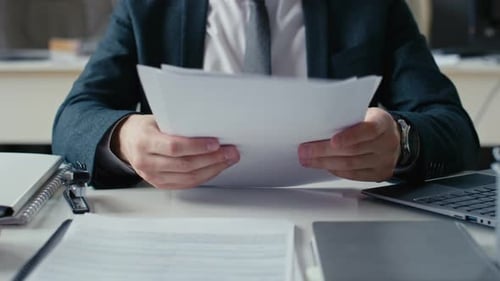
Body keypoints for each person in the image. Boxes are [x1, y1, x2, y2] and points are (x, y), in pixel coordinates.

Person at [52, 0, 480, 189]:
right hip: (186, 218)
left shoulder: (370, 6)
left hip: (339, 220)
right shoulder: (148, 7)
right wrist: (124, 139)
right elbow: (73, 121)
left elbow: (454, 130)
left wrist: (401, 142)